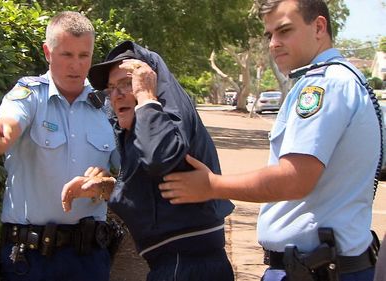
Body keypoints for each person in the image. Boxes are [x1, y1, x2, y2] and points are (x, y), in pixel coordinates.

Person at [158, 1, 382, 280]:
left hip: (318, 271)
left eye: (285, 30)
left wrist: (211, 185)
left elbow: (294, 179)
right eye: (269, 35)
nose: (274, 43)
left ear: (319, 27)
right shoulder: (343, 79)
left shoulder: (324, 85)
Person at [61, 41, 235, 281]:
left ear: (153, 84)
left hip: (188, 264)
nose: (116, 94)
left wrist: (145, 95)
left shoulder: (163, 121)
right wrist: (104, 187)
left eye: (127, 83)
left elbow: (160, 158)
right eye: (111, 88)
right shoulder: (144, 131)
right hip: (171, 265)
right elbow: (148, 196)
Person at [0, 11, 119, 281]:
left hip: (89, 259)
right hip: (29, 261)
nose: (76, 66)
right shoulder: (29, 95)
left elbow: (131, 175)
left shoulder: (107, 106)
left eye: (84, 55)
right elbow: (10, 120)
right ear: (47, 52)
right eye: (67, 54)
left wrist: (106, 183)